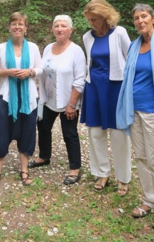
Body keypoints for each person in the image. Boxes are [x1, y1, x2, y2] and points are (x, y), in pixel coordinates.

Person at [116, 4, 154, 230]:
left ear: (153, 18)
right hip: (134, 109)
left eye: (144, 17)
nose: (140, 21)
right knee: (141, 157)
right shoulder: (134, 46)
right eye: (136, 18)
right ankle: (149, 200)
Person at [80, 0, 132, 195]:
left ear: (105, 16)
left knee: (119, 135)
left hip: (115, 88)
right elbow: (89, 62)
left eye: (95, 19)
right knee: (95, 133)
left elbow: (129, 60)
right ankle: (102, 173)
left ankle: (123, 178)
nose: (91, 23)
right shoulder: (87, 37)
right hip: (94, 87)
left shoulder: (119, 33)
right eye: (89, 19)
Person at [29, 15, 86, 185]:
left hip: (68, 100)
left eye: (63, 26)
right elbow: (42, 71)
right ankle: (44, 156)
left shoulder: (76, 51)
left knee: (69, 134)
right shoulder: (47, 48)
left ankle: (75, 168)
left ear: (70, 30)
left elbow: (80, 79)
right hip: (48, 99)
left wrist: (72, 104)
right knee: (43, 127)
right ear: (53, 29)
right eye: (56, 26)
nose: (59, 29)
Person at [0, 12, 42, 189]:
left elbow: (40, 68)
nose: (17, 27)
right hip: (7, 97)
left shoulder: (33, 47)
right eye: (14, 24)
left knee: (27, 132)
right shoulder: (1, 48)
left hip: (29, 98)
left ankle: (24, 170)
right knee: (2, 131)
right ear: (9, 27)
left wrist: (30, 72)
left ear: (26, 28)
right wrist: (8, 72)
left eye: (20, 24)